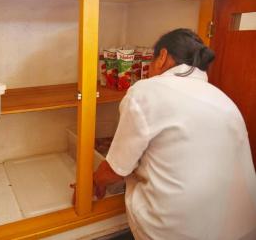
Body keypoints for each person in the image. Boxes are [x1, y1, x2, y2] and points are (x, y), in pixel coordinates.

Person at [94, 28, 256, 240]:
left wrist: (93, 180)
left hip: (179, 231)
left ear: (162, 57)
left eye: (150, 64)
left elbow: (116, 169)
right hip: (243, 226)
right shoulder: (222, 97)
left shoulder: (146, 90)